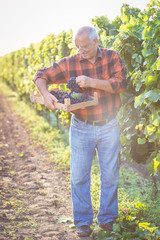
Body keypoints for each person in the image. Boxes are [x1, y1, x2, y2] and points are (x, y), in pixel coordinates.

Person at [33, 26, 127, 237]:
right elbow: (40, 75)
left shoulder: (112, 57)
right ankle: (83, 221)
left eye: (84, 47)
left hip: (109, 125)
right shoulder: (71, 62)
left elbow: (121, 84)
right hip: (81, 127)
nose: (80, 51)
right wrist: (45, 94)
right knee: (79, 177)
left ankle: (107, 219)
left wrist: (91, 82)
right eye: (77, 47)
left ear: (95, 42)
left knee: (111, 175)